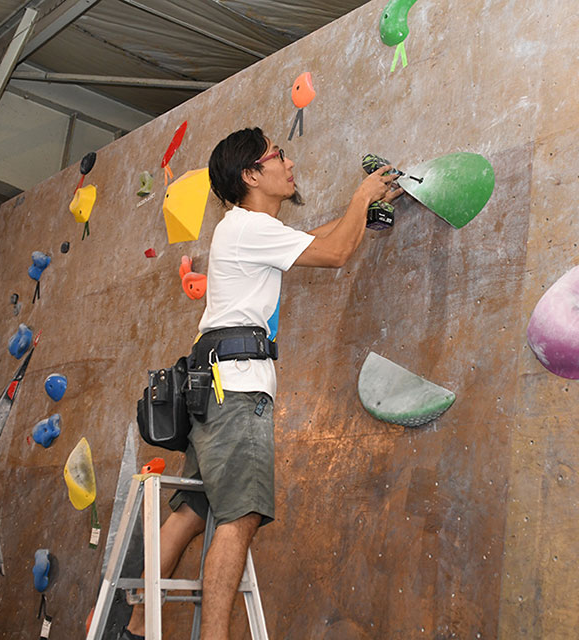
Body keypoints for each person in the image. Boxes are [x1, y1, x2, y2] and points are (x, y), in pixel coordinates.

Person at [122, 127, 402, 640]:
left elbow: (318, 239)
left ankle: (136, 622)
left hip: (214, 387)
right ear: (252, 174)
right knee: (242, 513)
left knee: (195, 509)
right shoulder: (248, 227)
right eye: (278, 156)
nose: (288, 163)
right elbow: (336, 253)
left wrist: (360, 212)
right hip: (237, 390)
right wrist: (362, 195)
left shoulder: (246, 229)